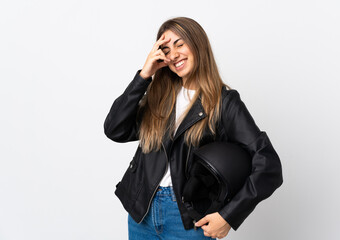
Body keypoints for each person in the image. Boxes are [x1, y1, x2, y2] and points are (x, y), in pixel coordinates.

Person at [104, 17, 283, 240]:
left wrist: (228, 216)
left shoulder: (223, 102)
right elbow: (114, 129)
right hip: (143, 215)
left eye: (180, 44)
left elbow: (268, 164)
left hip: (187, 220)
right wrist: (144, 76)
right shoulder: (159, 98)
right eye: (166, 50)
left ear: (197, 43)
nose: (174, 54)